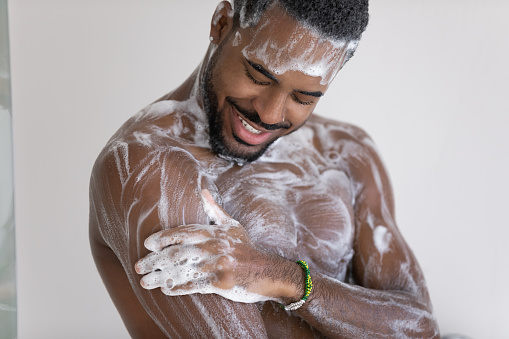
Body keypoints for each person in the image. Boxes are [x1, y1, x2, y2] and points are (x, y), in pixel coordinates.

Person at [89, 0, 440, 337]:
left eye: (304, 97)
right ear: (221, 23)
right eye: (259, 75)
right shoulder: (147, 168)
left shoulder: (345, 152)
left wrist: (283, 278)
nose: (270, 114)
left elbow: (421, 328)